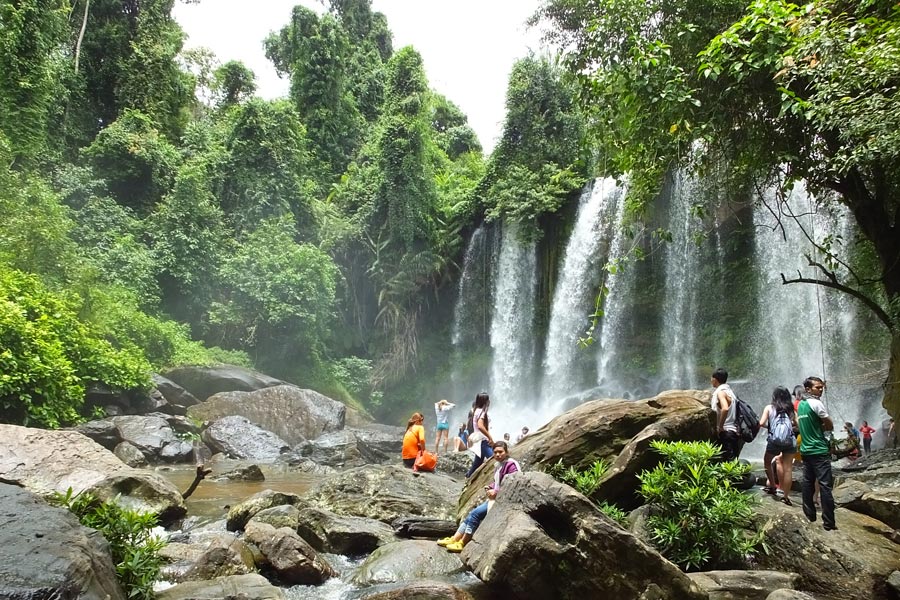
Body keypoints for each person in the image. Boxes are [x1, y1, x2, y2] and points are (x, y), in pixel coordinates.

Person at [437, 440, 520, 552]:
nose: (497, 454)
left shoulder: (511, 465)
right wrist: (491, 486)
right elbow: (498, 481)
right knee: (471, 514)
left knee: (475, 514)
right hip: (496, 498)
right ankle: (454, 539)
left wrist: (496, 491)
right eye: (495, 452)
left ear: (506, 452)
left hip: (504, 501)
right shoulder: (500, 464)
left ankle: (462, 543)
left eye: (500, 452)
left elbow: (513, 483)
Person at [798, 376, 837, 531]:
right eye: (817, 387)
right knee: (825, 486)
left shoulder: (801, 405)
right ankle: (829, 522)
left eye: (822, 387)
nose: (821, 390)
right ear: (808, 389)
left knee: (807, 484)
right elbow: (830, 425)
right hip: (819, 450)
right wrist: (823, 426)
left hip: (806, 450)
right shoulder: (816, 403)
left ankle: (809, 515)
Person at [759, 386, 798, 505]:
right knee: (788, 468)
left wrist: (770, 428)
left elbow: (761, 423)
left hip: (774, 441)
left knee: (767, 461)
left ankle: (772, 485)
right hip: (789, 442)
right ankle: (786, 496)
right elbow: (797, 425)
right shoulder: (791, 410)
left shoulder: (769, 408)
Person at [710, 367, 743, 460]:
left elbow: (725, 408)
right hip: (733, 432)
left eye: (711, 378)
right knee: (732, 463)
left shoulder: (721, 392)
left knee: (727, 462)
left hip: (726, 433)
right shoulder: (730, 392)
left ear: (715, 379)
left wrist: (720, 427)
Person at [466, 392, 495, 478]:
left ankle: (468, 476)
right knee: (494, 458)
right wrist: (490, 437)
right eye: (488, 400)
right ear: (486, 402)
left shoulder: (477, 410)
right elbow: (480, 426)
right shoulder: (481, 412)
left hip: (478, 439)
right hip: (482, 440)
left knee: (478, 462)